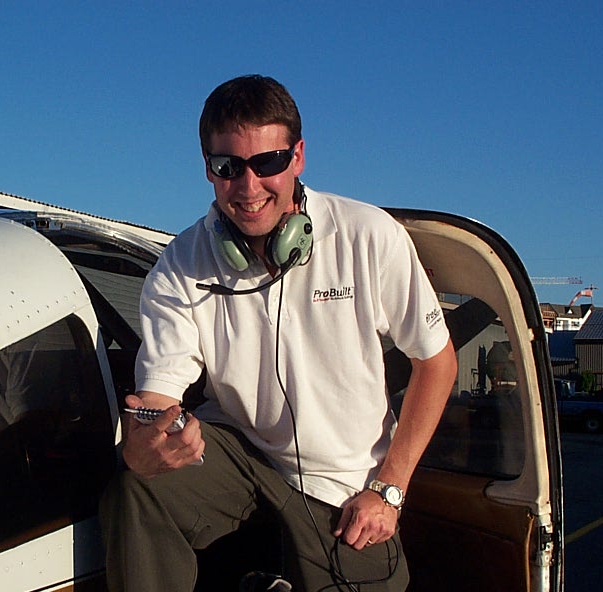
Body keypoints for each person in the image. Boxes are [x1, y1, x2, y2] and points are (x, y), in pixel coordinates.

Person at [99, 75, 457, 591]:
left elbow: (436, 362)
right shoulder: (180, 264)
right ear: (208, 169)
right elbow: (158, 398)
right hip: (241, 453)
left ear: (298, 157)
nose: (248, 188)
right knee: (137, 489)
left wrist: (390, 490)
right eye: (228, 168)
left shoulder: (369, 235)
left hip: (344, 482)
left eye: (267, 163)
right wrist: (144, 446)